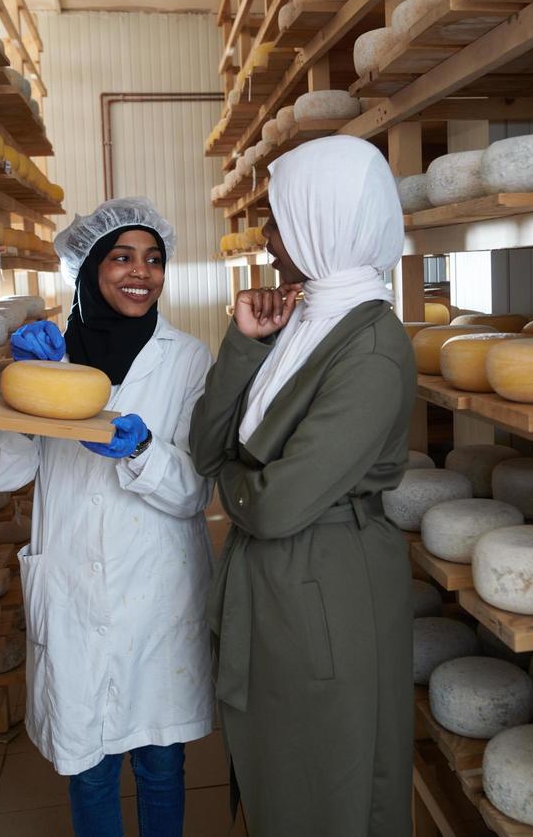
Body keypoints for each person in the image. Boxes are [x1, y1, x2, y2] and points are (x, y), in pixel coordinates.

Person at [189, 136, 416, 837]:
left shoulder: (372, 347)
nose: (267, 237)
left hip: (325, 582)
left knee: (330, 787)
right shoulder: (303, 322)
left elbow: (279, 504)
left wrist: (236, 477)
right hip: (282, 581)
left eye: (280, 220)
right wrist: (245, 342)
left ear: (327, 222)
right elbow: (203, 445)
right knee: (284, 779)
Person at [0, 197, 214, 837]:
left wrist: (142, 451)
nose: (142, 272)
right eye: (122, 257)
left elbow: (197, 493)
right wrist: (20, 386)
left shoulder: (187, 360)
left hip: (159, 585)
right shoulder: (46, 360)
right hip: (75, 587)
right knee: (91, 767)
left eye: (154, 259)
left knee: (162, 761)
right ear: (87, 267)